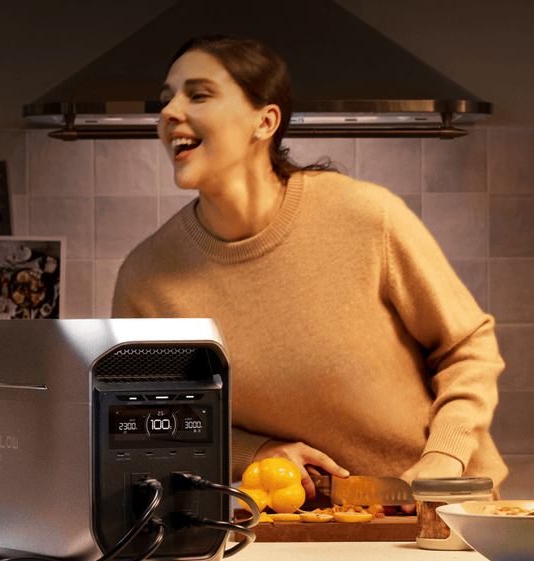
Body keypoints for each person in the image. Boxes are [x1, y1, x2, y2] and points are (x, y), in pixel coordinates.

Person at [111, 35, 508, 502]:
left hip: (436, 510)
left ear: (265, 121)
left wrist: (445, 458)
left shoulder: (366, 218)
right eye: (166, 100)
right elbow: (140, 418)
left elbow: (468, 347)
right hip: (289, 524)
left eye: (198, 94)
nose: (169, 112)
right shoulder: (146, 276)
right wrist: (254, 452)